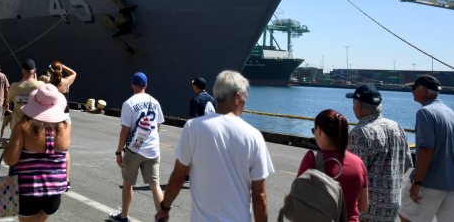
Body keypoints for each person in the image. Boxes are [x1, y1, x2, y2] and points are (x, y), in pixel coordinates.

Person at [155, 70, 273, 222]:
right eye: (245, 97)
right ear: (237, 97)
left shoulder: (192, 128)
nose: (245, 101)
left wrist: (165, 208)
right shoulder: (254, 136)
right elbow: (260, 197)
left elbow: (177, 178)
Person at [3, 83, 70, 221]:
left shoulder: (22, 128)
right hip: (54, 193)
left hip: (28, 192)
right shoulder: (65, 127)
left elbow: (11, 160)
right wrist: (66, 181)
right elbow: (66, 155)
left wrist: (7, 147)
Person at [345, 85, 412, 222]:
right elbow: (406, 163)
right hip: (393, 203)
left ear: (359, 106)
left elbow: (354, 174)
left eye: (353, 103)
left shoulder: (360, 132)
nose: (352, 107)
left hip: (368, 207)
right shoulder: (396, 127)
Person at [399, 75, 454, 222]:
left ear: (423, 90)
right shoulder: (450, 113)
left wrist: (417, 182)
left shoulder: (425, 113)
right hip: (449, 183)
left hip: (429, 183)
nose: (412, 91)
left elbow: (425, 150)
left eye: (414, 88)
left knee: (406, 217)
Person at [111, 72, 165, 222]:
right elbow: (158, 125)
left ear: (132, 85)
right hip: (153, 149)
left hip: (134, 149)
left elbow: (125, 130)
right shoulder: (155, 101)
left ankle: (123, 216)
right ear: (146, 85)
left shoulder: (129, 103)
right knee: (155, 185)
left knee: (128, 183)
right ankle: (161, 217)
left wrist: (118, 152)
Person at [298, 109, 368, 222]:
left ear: (319, 131)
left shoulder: (312, 159)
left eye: (313, 130)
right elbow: (363, 206)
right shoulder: (358, 163)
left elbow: (299, 200)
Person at [7, 59, 44, 130]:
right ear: (35, 71)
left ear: (22, 71)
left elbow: (9, 100)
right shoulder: (41, 85)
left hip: (18, 127)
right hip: (34, 126)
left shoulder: (14, 86)